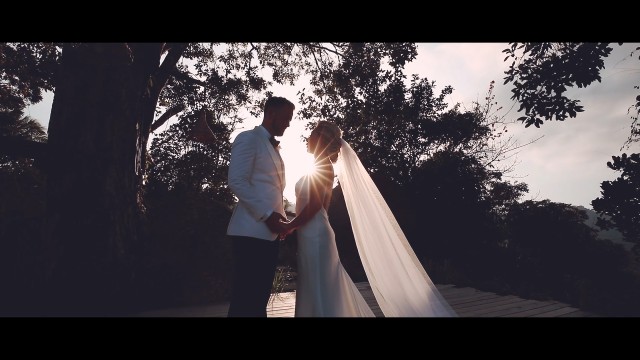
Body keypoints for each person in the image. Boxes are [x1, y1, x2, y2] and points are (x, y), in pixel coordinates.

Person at [284, 121, 457, 317]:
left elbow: (316, 206)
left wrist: (290, 226)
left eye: (311, 135)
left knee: (319, 283)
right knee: (316, 282)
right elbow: (323, 207)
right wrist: (294, 222)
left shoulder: (323, 167)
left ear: (319, 141)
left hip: (315, 235)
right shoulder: (320, 167)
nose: (307, 139)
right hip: (311, 232)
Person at [226, 96, 294, 317]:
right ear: (271, 113)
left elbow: (273, 191)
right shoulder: (248, 138)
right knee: (244, 301)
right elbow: (236, 182)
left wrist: (281, 220)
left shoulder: (275, 148)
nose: (288, 123)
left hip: (269, 235)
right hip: (249, 233)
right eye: (286, 118)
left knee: (257, 302)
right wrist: (268, 216)